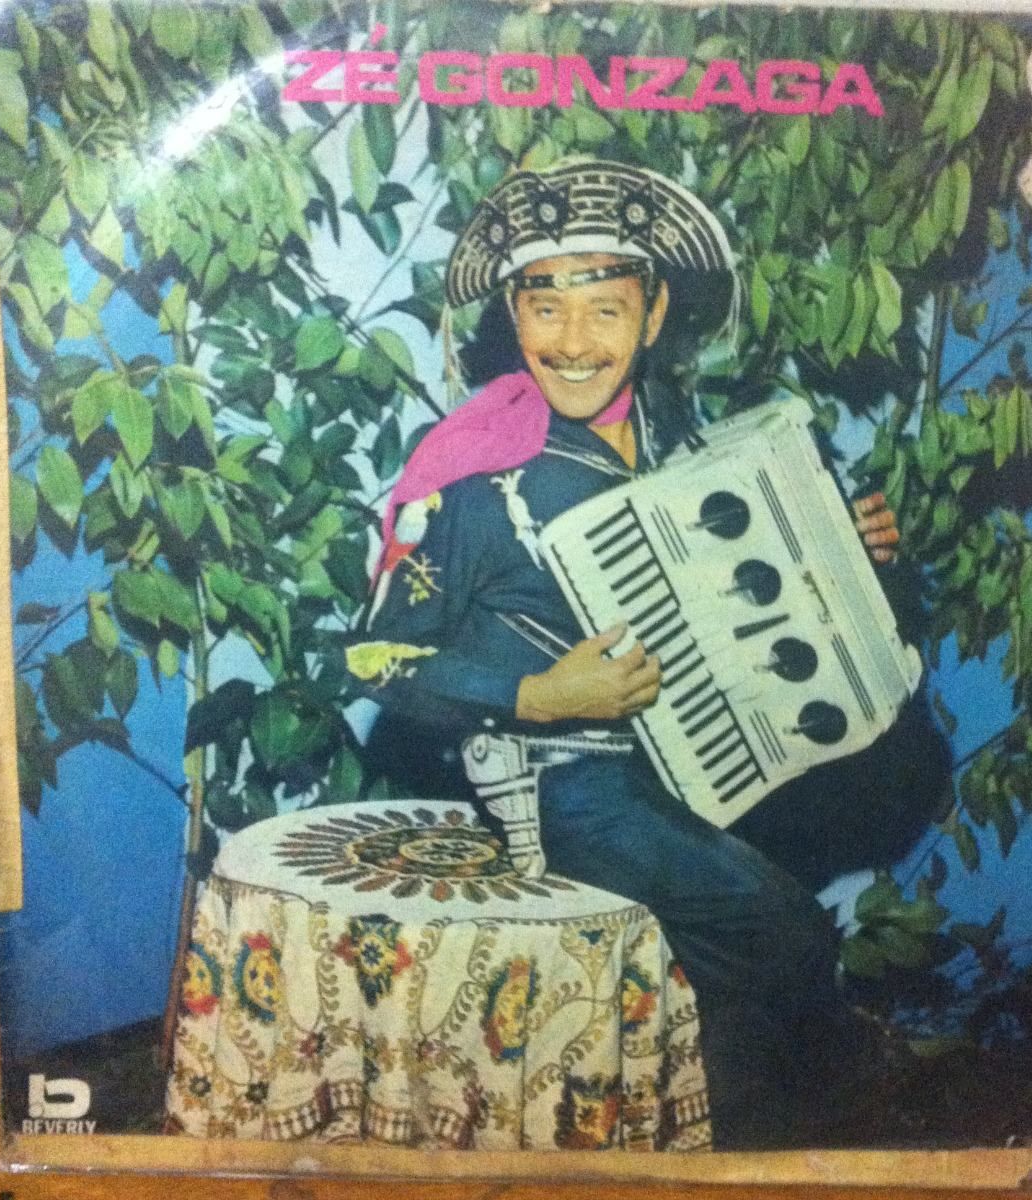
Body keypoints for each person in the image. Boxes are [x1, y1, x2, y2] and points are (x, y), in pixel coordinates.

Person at [348, 159, 934, 1150]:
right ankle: (775, 1130)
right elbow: (373, 662)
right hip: (566, 782)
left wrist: (856, 551)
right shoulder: (475, 477)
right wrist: (534, 693)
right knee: (784, 933)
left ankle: (730, 1136)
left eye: (606, 309)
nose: (574, 342)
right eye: (546, 307)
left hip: (710, 754)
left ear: (654, 313)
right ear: (513, 314)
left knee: (782, 917)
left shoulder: (676, 436)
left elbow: (761, 602)